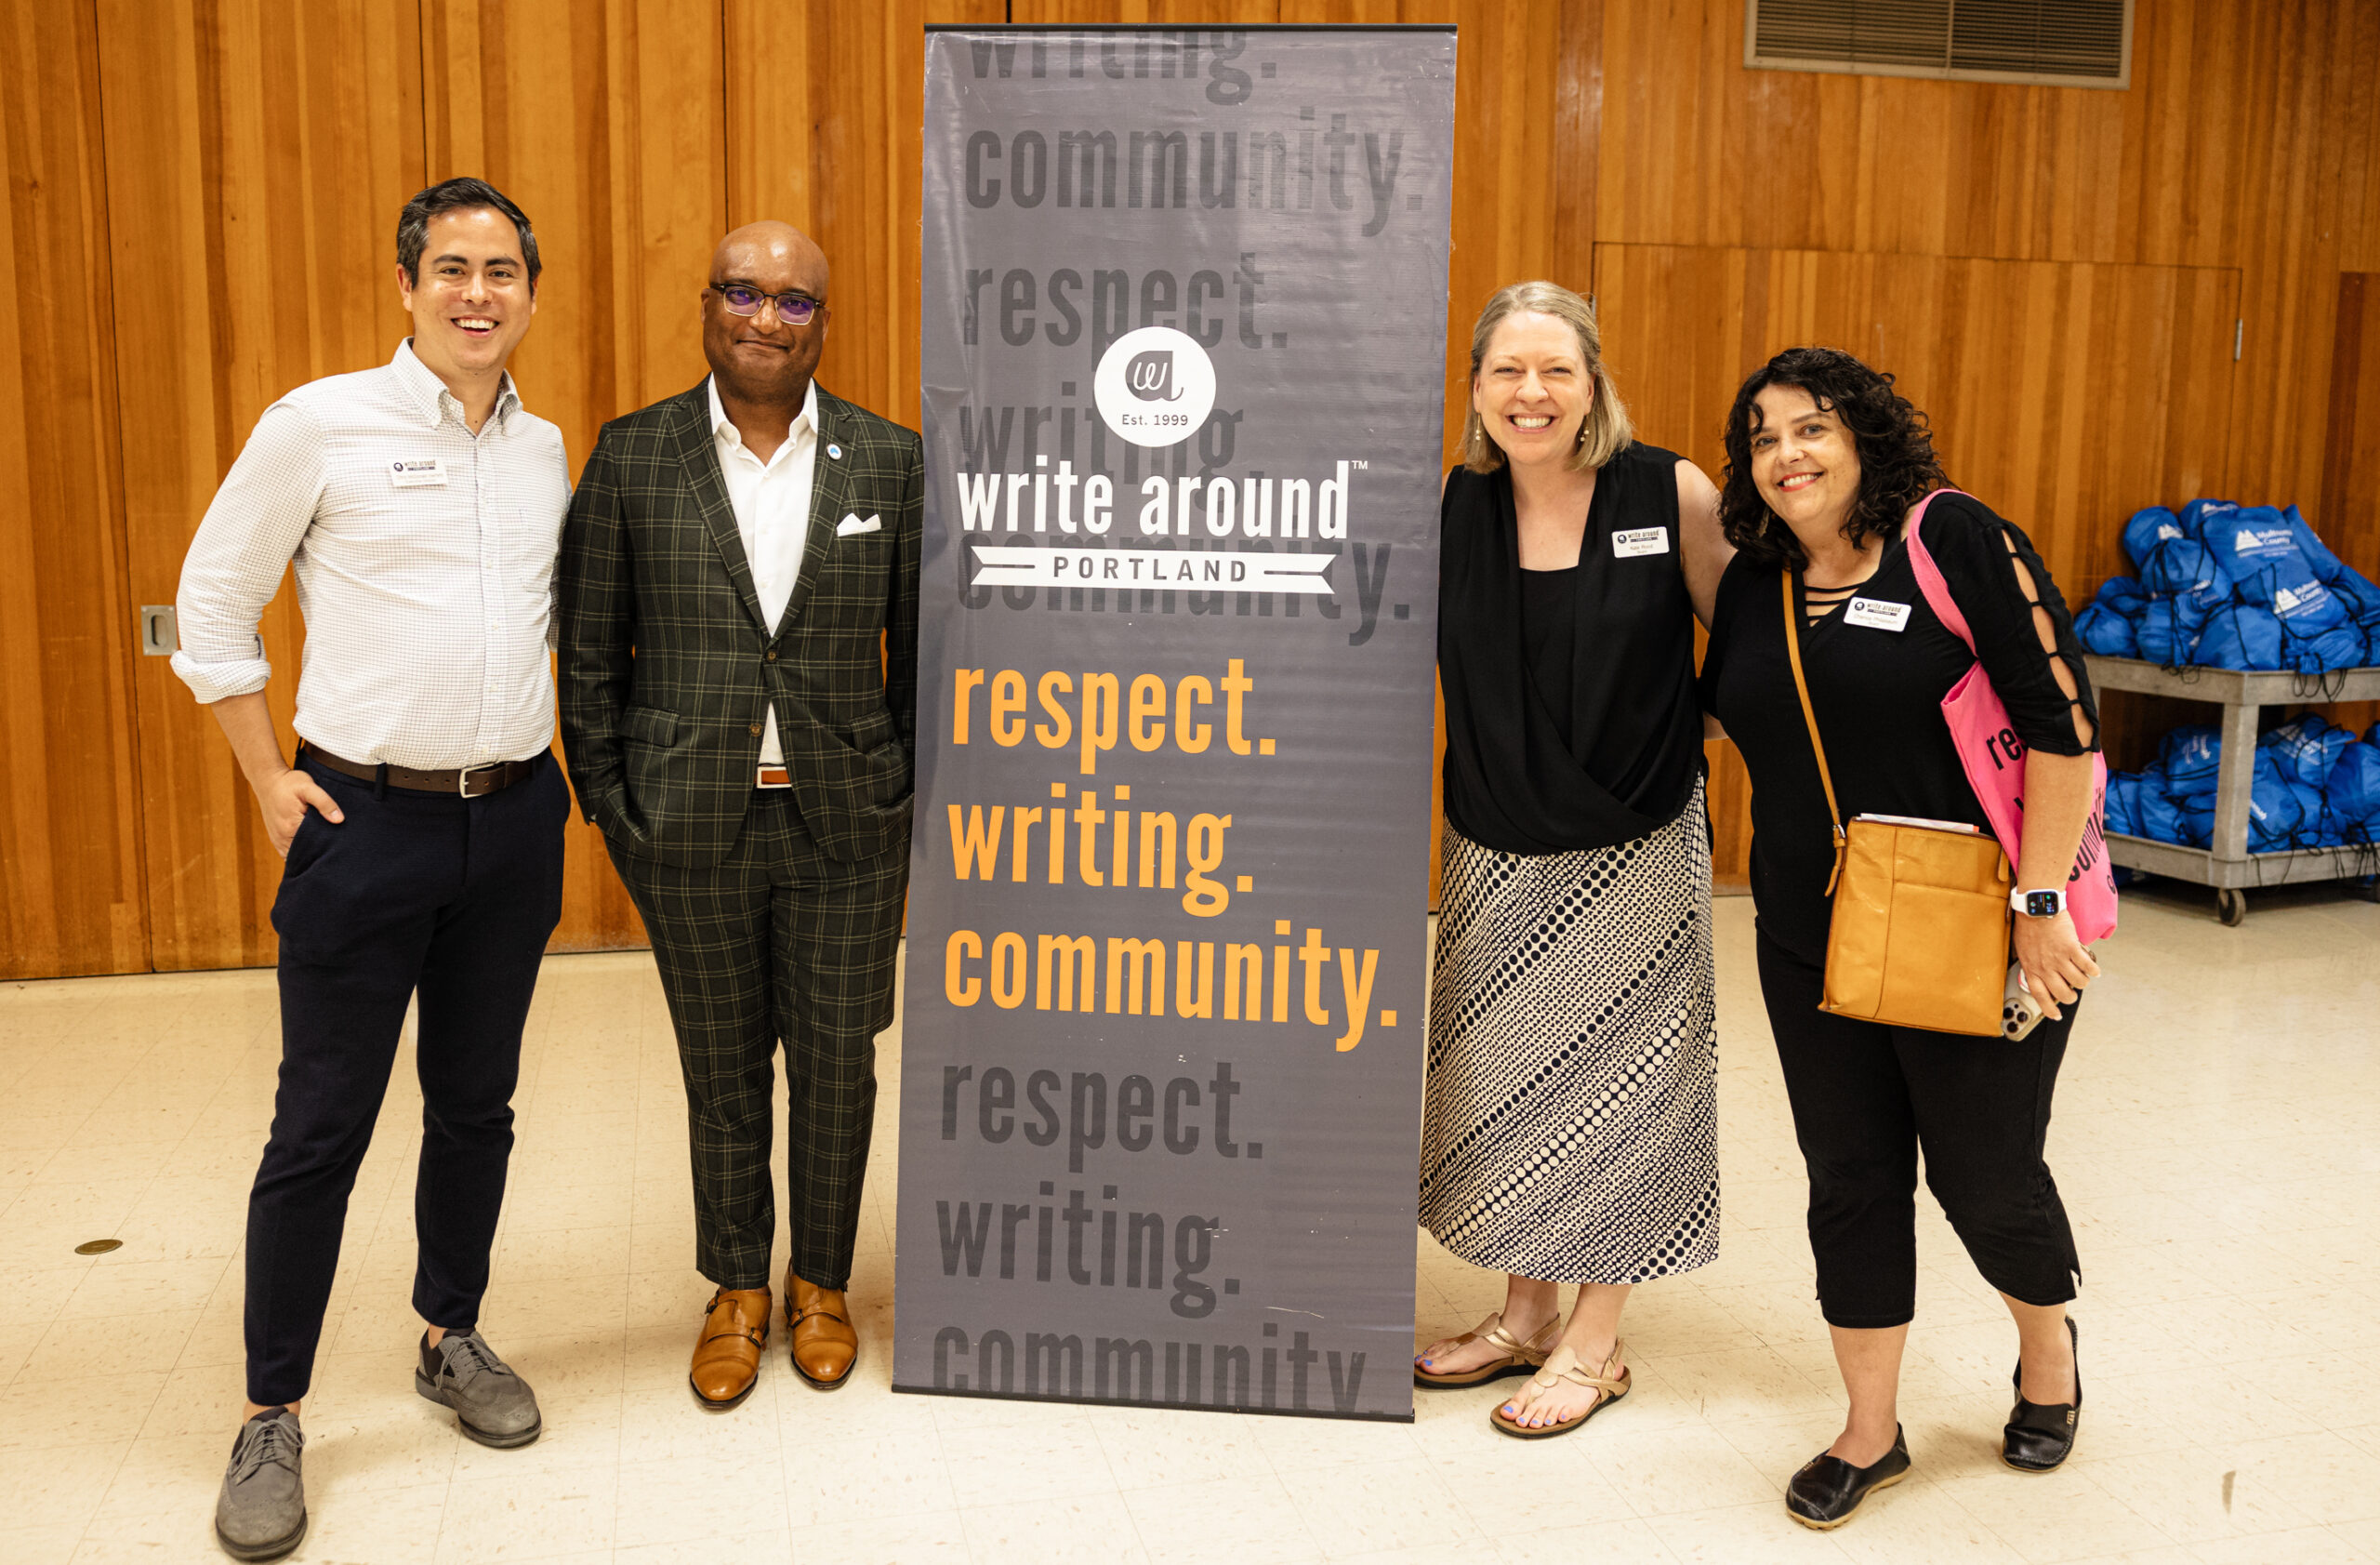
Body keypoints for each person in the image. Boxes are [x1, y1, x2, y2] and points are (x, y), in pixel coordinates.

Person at [172, 177, 571, 1560]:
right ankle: (271, 1406)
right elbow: (211, 599)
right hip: (362, 824)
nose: (479, 291)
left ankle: (448, 1334)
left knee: (477, 1103)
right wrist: (264, 773)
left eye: (503, 270)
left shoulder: (545, 446)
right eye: (452, 267)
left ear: (530, 290)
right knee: (319, 1126)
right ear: (406, 285)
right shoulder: (319, 422)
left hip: (514, 822)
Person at [1698, 346, 2099, 1528]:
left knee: (1986, 1176)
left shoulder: (1954, 539)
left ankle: (2046, 1349)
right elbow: (1726, 717)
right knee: (1851, 1181)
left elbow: (2063, 731)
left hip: (1972, 923)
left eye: (1811, 428)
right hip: (1808, 935)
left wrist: (2038, 908)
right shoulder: (1758, 584)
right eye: (1763, 438)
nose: (1788, 455)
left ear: (1866, 436)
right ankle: (1870, 1431)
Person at [557, 220, 921, 1410]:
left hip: (847, 825)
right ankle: (735, 1289)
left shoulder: (889, 461)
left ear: (824, 320)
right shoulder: (631, 456)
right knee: (720, 1069)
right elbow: (589, 655)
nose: (766, 317)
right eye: (743, 293)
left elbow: (921, 660)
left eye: (794, 301)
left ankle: (819, 1282)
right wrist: (616, 807)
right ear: (706, 305)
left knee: (836, 1065)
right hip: (689, 822)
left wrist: (900, 793)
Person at [1414, 281, 1733, 1437]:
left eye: (1555, 369)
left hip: (1634, 842)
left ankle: (1597, 1343)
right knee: (1506, 1089)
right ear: (1479, 390)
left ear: (1593, 379)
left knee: (1624, 1090)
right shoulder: (1459, 502)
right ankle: (1524, 1316)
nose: (1531, 393)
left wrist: (1677, 730)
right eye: (1507, 371)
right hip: (1494, 842)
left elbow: (1745, 645)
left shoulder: (1669, 489)